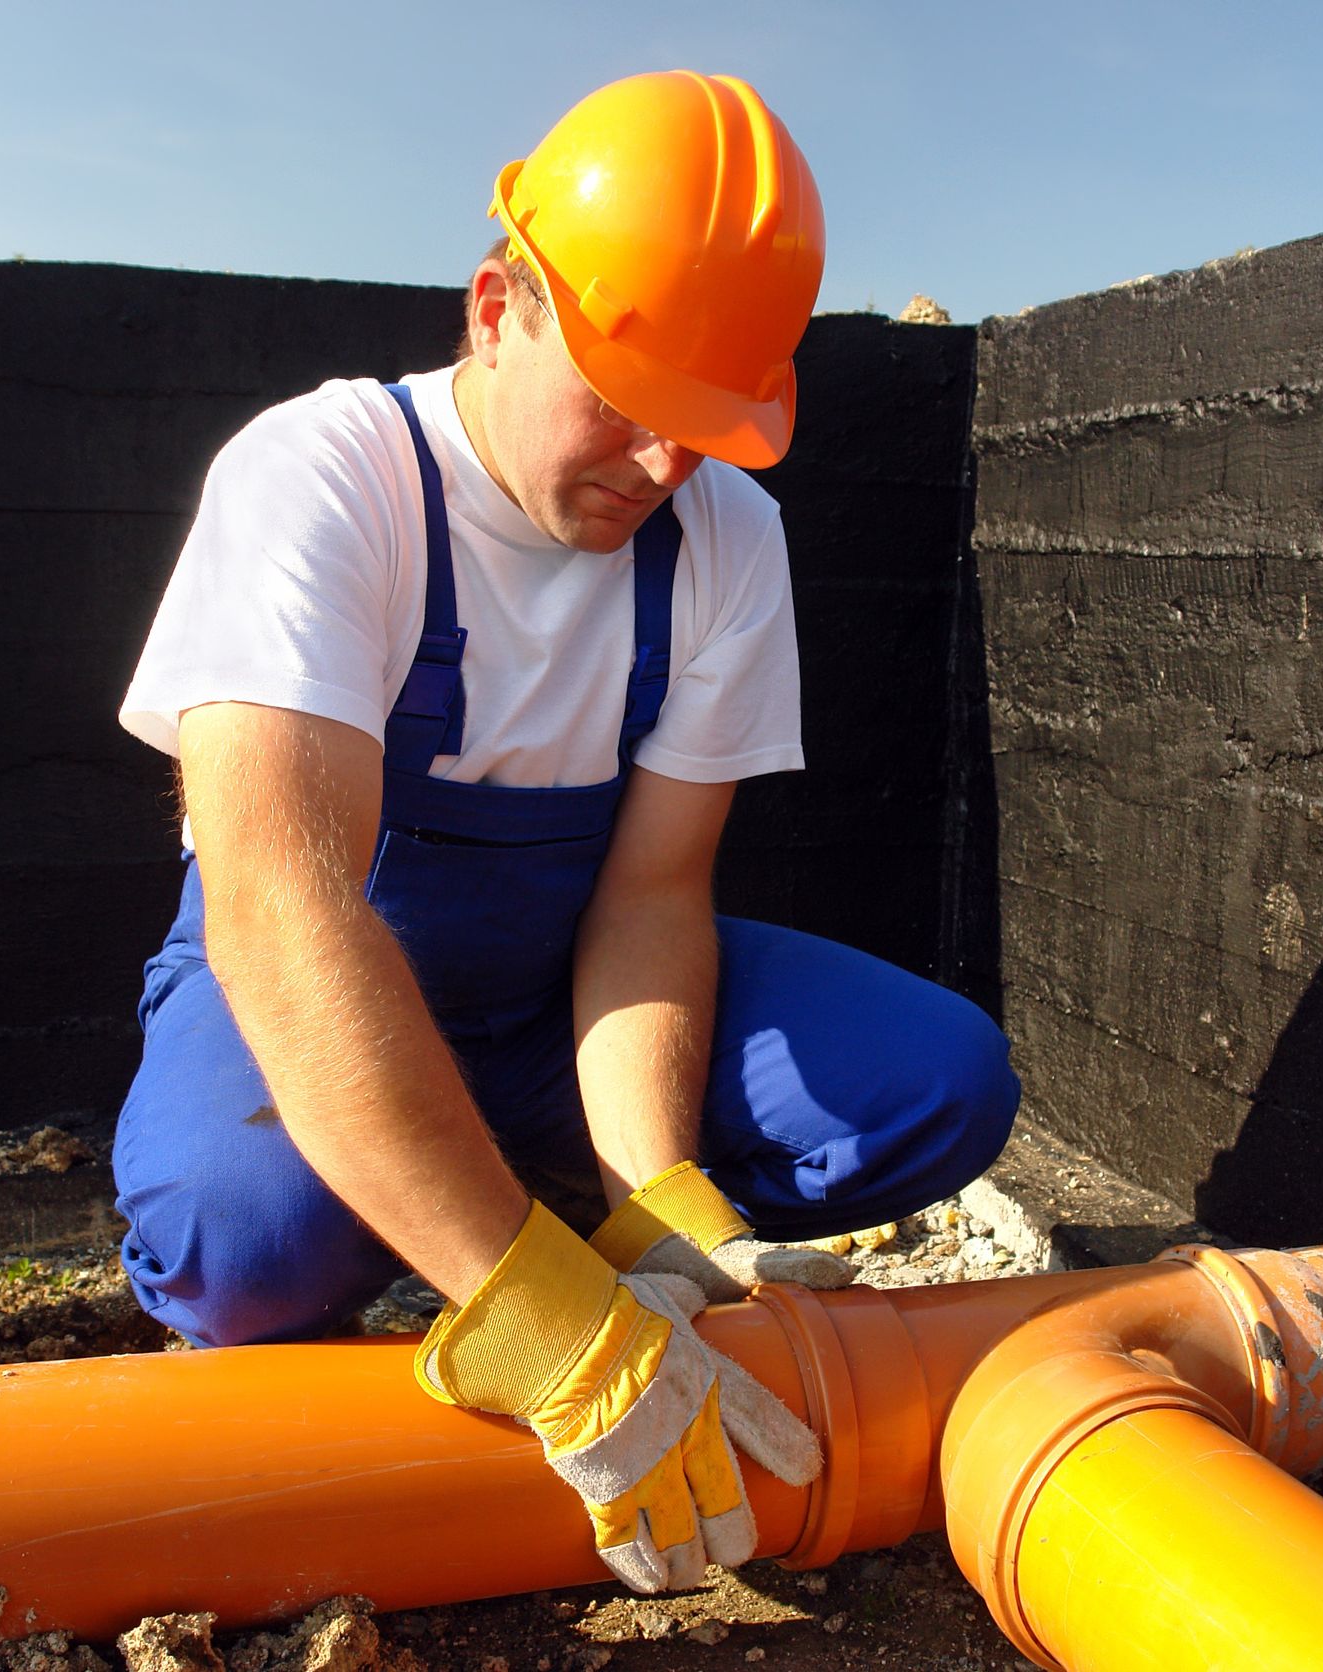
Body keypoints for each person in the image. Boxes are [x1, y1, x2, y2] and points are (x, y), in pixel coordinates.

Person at [109, 70, 1019, 1594]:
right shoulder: (324, 481)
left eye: (701, 429)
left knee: (933, 1086)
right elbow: (283, 909)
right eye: (627, 404)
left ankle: (547, 1223)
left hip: (549, 1003)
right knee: (239, 1245)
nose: (664, 469)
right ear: (495, 305)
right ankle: (473, 1252)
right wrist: (545, 1334)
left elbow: (654, 896)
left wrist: (663, 1200)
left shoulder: (724, 538)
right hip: (302, 987)